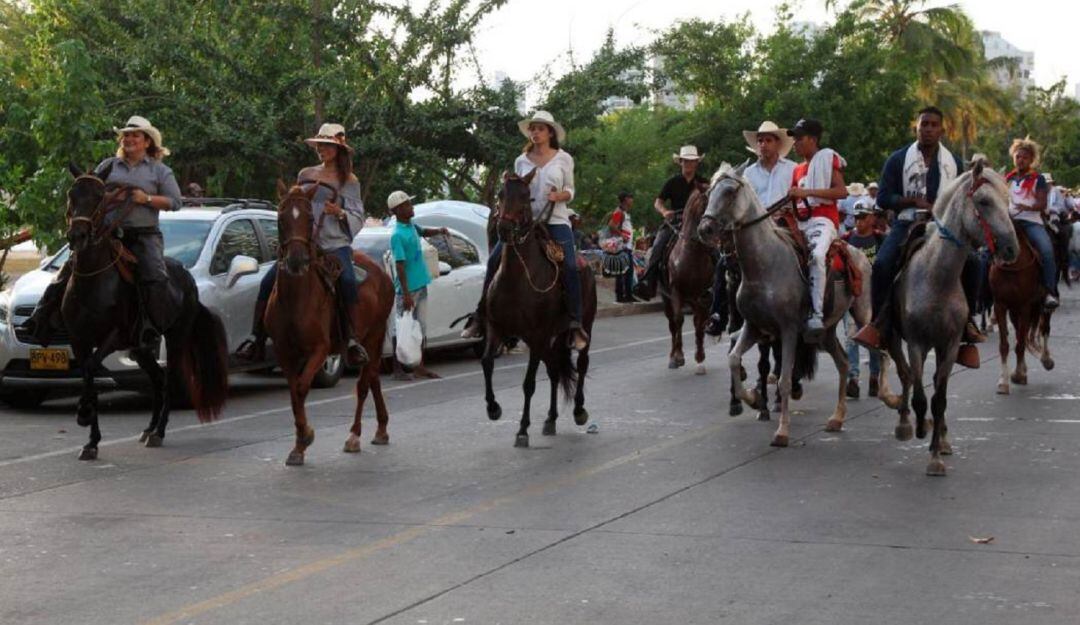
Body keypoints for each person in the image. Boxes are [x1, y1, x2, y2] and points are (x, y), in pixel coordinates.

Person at [24, 115, 183, 348]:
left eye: (135, 135)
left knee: (153, 274)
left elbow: (175, 202)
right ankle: (40, 319)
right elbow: (91, 193)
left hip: (143, 236)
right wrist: (107, 197)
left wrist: (146, 198)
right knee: (69, 269)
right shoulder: (108, 166)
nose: (129, 139)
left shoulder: (160, 171)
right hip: (107, 234)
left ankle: (150, 328)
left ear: (147, 141)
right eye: (126, 136)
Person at [852, 106, 985, 356]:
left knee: (975, 264)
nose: (928, 129)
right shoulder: (898, 159)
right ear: (917, 127)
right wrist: (912, 201)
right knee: (882, 264)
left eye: (934, 125)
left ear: (942, 130)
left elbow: (963, 199)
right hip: (907, 223)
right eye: (924, 124)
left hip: (943, 226)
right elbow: (883, 197)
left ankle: (968, 323)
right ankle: (879, 324)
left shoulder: (954, 163)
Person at [235, 123, 367, 365]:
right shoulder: (305, 174)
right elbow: (295, 201)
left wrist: (339, 212)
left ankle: (351, 340)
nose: (321, 149)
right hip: (304, 243)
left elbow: (358, 215)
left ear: (338, 149)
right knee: (268, 281)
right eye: (319, 145)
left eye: (327, 145)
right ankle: (256, 338)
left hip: (333, 243)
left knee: (348, 281)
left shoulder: (349, 180)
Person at [460, 110, 589, 350]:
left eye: (540, 128)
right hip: (524, 223)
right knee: (494, 260)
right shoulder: (521, 161)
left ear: (550, 133)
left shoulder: (564, 159)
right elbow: (516, 191)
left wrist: (560, 195)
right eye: (533, 128)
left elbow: (571, 190)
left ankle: (574, 322)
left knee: (571, 266)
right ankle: (480, 315)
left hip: (555, 220)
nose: (535, 132)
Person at [705, 121, 796, 336]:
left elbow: (800, 198)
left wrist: (788, 210)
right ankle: (719, 314)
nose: (763, 144)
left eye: (768, 140)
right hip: (754, 229)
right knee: (724, 263)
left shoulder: (792, 169)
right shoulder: (748, 174)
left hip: (784, 225)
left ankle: (806, 307)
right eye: (760, 141)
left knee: (806, 256)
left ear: (777, 143)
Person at [787, 118, 848, 338]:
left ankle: (817, 313)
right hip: (800, 223)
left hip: (823, 221)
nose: (795, 143)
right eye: (794, 139)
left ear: (813, 140)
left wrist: (807, 192)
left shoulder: (827, 159)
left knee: (817, 255)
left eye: (799, 138)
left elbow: (842, 192)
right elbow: (796, 201)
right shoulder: (797, 170)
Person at [633, 145, 708, 301]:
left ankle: (716, 287)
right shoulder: (672, 182)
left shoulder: (704, 183)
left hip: (697, 223)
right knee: (658, 246)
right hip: (675, 222)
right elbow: (658, 202)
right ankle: (648, 282)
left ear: (696, 163)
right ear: (680, 162)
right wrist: (665, 212)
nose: (688, 164)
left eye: (692, 161)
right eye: (685, 161)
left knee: (715, 250)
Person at [387, 191, 448, 380]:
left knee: (420, 327)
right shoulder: (397, 235)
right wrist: (405, 294)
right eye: (407, 205)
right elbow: (399, 265)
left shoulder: (411, 226)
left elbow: (423, 232)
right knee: (401, 327)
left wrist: (439, 230)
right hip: (408, 289)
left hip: (421, 284)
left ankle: (419, 366)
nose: (411, 207)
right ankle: (398, 369)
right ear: (397, 210)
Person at [1006, 137, 1058, 309]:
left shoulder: (1038, 179)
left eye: (1025, 157)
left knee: (1047, 250)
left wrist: (1026, 206)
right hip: (1009, 222)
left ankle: (1049, 291)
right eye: (1018, 156)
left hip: (1031, 222)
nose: (1020, 160)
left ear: (1031, 160)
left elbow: (1042, 204)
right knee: (985, 250)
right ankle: (985, 295)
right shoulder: (1007, 179)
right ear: (1013, 158)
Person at [842, 203, 884, 398]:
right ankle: (853, 377)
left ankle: (875, 375)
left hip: (874, 296)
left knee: (871, 335)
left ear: (872, 218)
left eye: (863, 217)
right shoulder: (846, 240)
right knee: (851, 336)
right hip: (851, 295)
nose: (859, 222)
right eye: (856, 217)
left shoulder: (880, 239)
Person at [609, 191, 636, 303]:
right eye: (631, 198)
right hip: (621, 247)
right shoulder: (619, 212)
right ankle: (621, 297)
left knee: (628, 272)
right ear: (625, 199)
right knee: (622, 272)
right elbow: (611, 225)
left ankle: (628, 295)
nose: (632, 200)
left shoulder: (625, 213)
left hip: (627, 247)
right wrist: (622, 235)